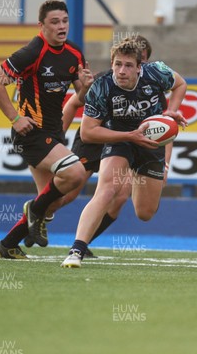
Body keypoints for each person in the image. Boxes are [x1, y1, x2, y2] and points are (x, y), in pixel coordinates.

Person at [61, 38, 188, 268]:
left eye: (128, 65)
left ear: (140, 67)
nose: (122, 70)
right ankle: (76, 250)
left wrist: (171, 110)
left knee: (145, 213)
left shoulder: (156, 72)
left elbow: (180, 84)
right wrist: (129, 136)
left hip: (150, 141)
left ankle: (141, 177)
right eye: (117, 64)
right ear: (111, 64)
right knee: (107, 188)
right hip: (119, 137)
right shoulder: (102, 86)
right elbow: (88, 133)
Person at [0, 0, 94, 259]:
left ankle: (9, 244)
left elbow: (81, 98)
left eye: (65, 21)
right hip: (30, 133)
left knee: (51, 201)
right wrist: (15, 118)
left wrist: (87, 86)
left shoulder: (74, 53)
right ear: (42, 26)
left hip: (53, 133)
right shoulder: (32, 53)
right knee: (76, 173)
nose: (62, 26)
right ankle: (34, 211)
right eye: (55, 22)